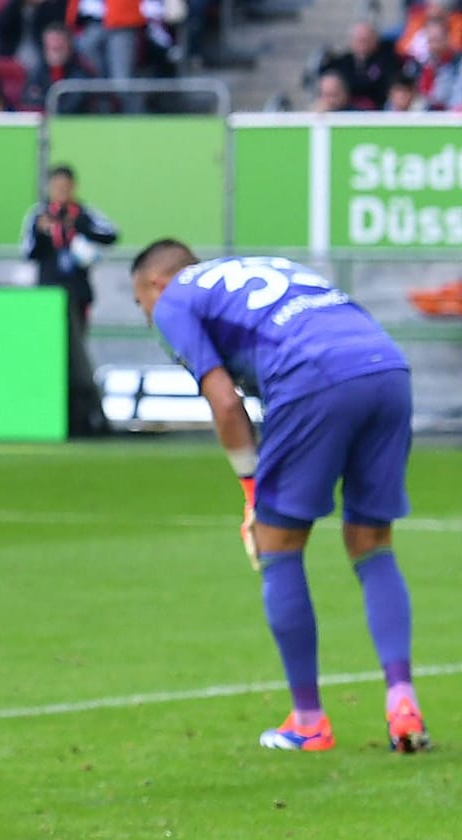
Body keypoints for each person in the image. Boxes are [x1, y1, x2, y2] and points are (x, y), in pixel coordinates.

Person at [130, 241, 429, 756]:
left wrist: (252, 491)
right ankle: (402, 699)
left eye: (141, 305)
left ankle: (309, 721)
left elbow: (224, 403)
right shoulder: (268, 267)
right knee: (371, 540)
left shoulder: (176, 298)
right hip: (387, 369)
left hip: (314, 377)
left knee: (279, 542)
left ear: (155, 283)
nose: (149, 318)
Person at [22, 163, 117, 436]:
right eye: (57, 187)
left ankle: (83, 418)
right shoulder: (38, 216)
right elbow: (27, 252)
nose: (61, 192)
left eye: (66, 187)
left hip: (77, 296)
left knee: (78, 357)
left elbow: (111, 234)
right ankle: (52, 413)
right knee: (50, 356)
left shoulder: (84, 214)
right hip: (47, 298)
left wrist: (80, 229)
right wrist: (42, 233)